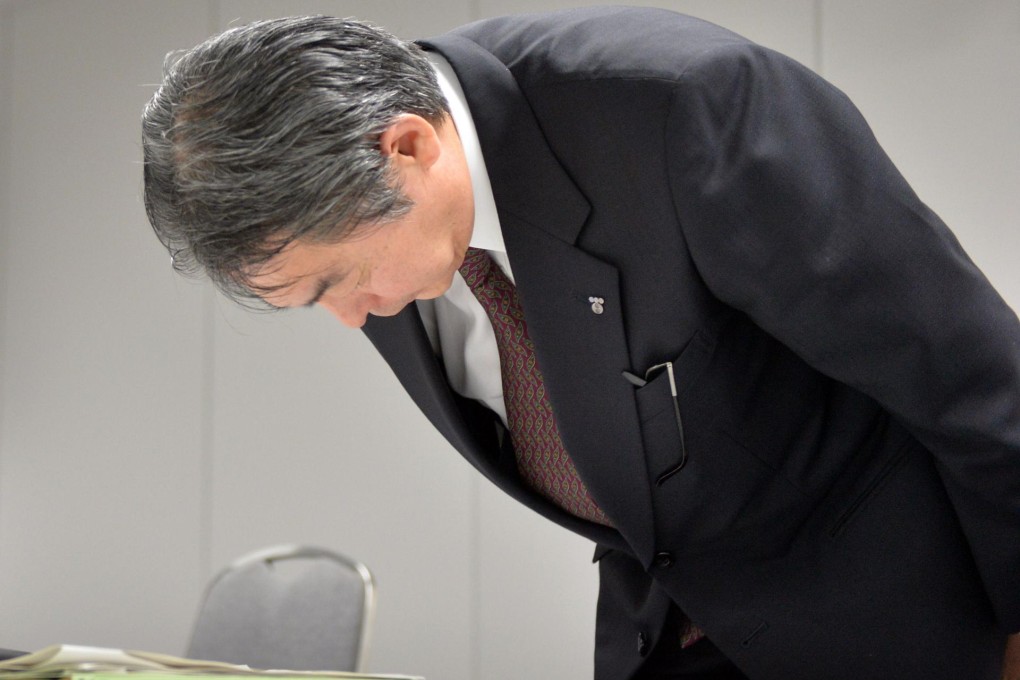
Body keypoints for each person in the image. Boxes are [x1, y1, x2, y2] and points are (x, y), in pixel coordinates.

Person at [141, 7, 1020, 679]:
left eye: (334, 281)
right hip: (668, 631)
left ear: (405, 147)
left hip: (903, 626)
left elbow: (975, 384)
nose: (349, 317)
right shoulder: (380, 226)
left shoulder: (680, 110)